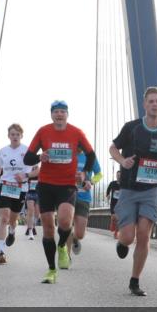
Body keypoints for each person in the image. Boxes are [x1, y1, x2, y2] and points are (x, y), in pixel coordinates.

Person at [109, 87, 157, 296]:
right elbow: (113, 148)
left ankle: (135, 280)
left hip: (151, 191)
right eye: (151, 101)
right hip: (129, 190)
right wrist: (123, 161)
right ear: (144, 104)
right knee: (128, 237)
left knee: (143, 235)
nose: (155, 104)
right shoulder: (132, 128)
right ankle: (122, 243)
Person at [23, 101, 96, 284]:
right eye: (56, 112)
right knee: (48, 228)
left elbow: (91, 155)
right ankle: (51, 270)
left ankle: (63, 244)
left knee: (64, 221)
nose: (59, 115)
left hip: (67, 185)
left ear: (67, 115)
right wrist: (40, 156)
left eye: (62, 111)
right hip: (46, 184)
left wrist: (85, 173)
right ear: (51, 115)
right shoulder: (43, 131)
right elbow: (28, 157)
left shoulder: (76, 132)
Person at [0, 124, 32, 264]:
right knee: (4, 219)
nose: (15, 137)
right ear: (8, 136)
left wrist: (25, 175)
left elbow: (37, 170)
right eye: (12, 134)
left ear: (21, 136)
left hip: (20, 189)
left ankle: (12, 231)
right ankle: (1, 252)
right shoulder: (3, 151)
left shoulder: (27, 151)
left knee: (13, 220)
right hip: (5, 186)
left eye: (17, 134)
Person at [71, 149, 103, 254]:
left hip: (84, 197)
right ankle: (66, 257)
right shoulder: (68, 152)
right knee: (66, 226)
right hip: (67, 195)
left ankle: (74, 237)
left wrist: (91, 181)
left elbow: (99, 174)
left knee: (80, 234)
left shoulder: (89, 156)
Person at [24, 169, 40, 239]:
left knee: (37, 214)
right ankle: (31, 232)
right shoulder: (28, 171)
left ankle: (32, 226)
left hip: (39, 194)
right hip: (30, 194)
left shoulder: (40, 171)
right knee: (30, 211)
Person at [105, 172, 121, 238]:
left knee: (118, 218)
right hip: (113, 203)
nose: (118, 177)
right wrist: (108, 195)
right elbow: (108, 189)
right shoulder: (112, 183)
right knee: (114, 217)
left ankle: (116, 233)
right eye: (117, 175)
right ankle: (112, 221)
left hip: (121, 203)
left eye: (120, 175)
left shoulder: (124, 184)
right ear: (116, 176)